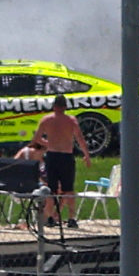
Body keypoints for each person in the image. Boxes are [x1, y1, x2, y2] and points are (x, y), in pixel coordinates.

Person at [33, 95, 91, 226]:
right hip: (66, 156)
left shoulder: (46, 120)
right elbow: (80, 139)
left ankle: (50, 218)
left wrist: (49, 143)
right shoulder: (71, 121)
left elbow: (36, 138)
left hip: (52, 156)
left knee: (51, 189)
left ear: (54, 106)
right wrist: (86, 155)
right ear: (65, 107)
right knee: (68, 188)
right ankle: (71, 218)